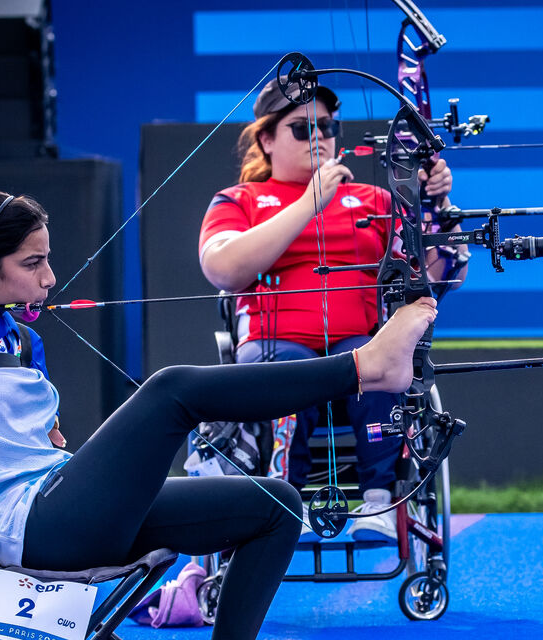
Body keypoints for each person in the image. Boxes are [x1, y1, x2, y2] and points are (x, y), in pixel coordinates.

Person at [0, 189, 438, 640]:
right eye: (32, 264)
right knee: (171, 391)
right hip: (31, 525)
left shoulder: (20, 336)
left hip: (68, 508)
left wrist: (16, 333)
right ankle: (367, 368)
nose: (49, 279)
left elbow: (35, 432)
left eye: (48, 261)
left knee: (276, 504)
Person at [198, 79, 467, 542]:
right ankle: (284, 501)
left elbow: (438, 274)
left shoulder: (374, 200)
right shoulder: (239, 200)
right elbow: (221, 267)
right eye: (302, 129)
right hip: (276, 349)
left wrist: (439, 207)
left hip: (357, 347)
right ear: (266, 139)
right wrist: (310, 203)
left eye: (327, 126)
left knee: (385, 360)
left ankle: (381, 503)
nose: (320, 137)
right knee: (287, 369)